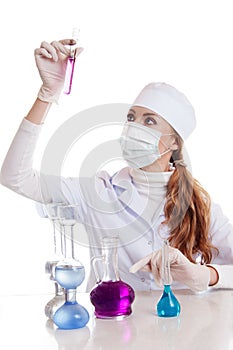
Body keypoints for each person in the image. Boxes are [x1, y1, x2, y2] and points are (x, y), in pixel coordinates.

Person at [1, 39, 233, 293]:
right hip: (112, 326)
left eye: (150, 121)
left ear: (174, 142)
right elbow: (15, 176)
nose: (134, 127)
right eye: (131, 118)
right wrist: (46, 95)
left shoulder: (199, 205)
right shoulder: (99, 191)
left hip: (183, 326)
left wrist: (207, 275)